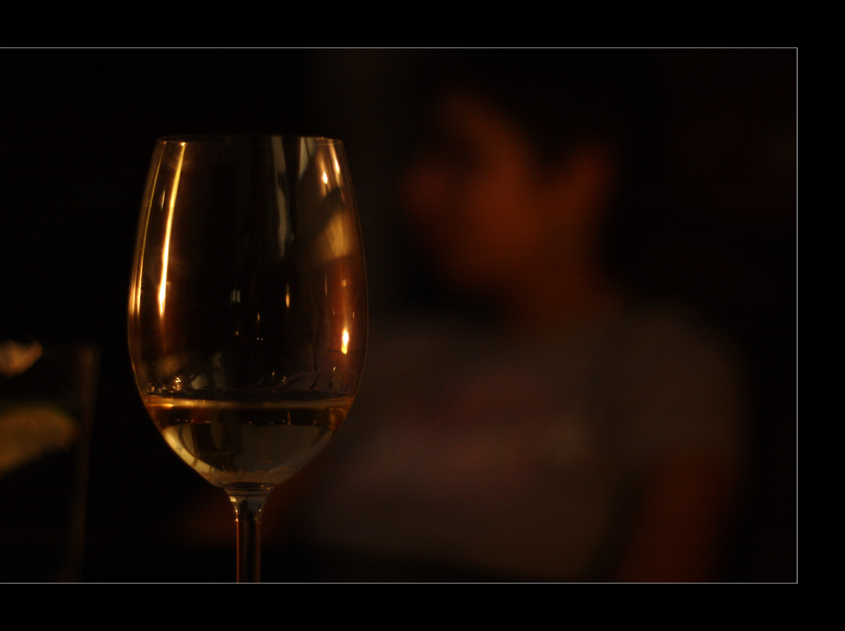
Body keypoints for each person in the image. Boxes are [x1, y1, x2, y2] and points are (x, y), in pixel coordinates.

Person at [267, 51, 750, 582]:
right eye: (421, 155)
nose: (416, 191)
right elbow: (238, 522)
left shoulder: (662, 362)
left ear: (577, 182)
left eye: (461, 158)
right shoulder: (392, 351)